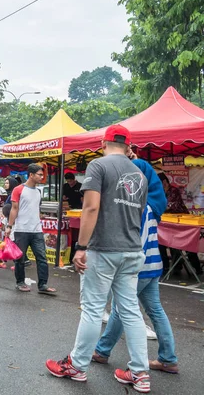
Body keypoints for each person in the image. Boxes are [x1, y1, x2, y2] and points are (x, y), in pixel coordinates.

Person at [46, 125, 151, 393]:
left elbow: (91, 207)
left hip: (103, 249)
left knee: (93, 309)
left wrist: (80, 246)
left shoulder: (98, 166)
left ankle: (77, 366)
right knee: (130, 311)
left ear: (103, 142)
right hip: (131, 250)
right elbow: (138, 213)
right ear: (128, 146)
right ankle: (140, 373)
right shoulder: (140, 173)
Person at [92, 150, 179, 375]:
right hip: (154, 265)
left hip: (137, 266)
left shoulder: (137, 207)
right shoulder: (152, 206)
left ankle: (102, 351)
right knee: (155, 311)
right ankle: (168, 358)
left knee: (122, 310)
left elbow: (133, 240)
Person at [6, 164, 56, 294]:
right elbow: (14, 209)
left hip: (36, 230)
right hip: (21, 229)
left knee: (42, 258)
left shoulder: (39, 192)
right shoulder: (18, 190)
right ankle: (20, 282)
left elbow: (35, 209)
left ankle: (43, 285)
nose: (42, 177)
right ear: (31, 175)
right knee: (20, 259)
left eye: (42, 174)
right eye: (39, 174)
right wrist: (9, 226)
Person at [157, 172, 202, 275]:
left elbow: (169, 206)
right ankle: (169, 266)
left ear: (164, 182)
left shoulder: (174, 191)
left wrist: (158, 206)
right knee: (162, 243)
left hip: (182, 222)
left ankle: (196, 267)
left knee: (186, 245)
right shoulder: (160, 192)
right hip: (167, 222)